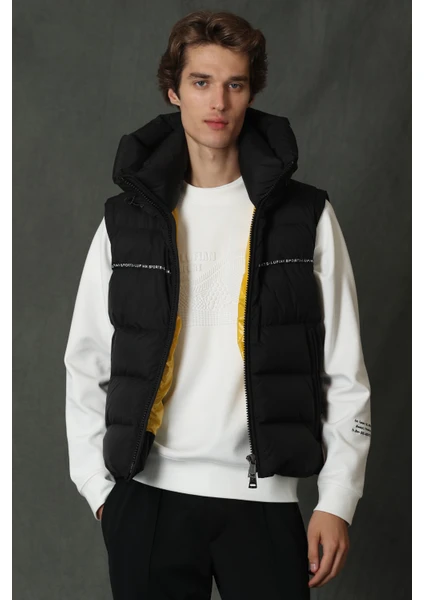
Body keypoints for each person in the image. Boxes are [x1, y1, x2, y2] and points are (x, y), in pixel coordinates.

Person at [64, 9, 372, 599]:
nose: (218, 102)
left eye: (235, 84)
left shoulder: (304, 216)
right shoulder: (127, 222)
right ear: (174, 90)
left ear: (251, 93)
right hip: (148, 502)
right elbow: (86, 361)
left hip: (264, 503)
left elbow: (344, 368)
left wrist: (338, 498)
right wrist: (100, 491)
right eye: (201, 82)